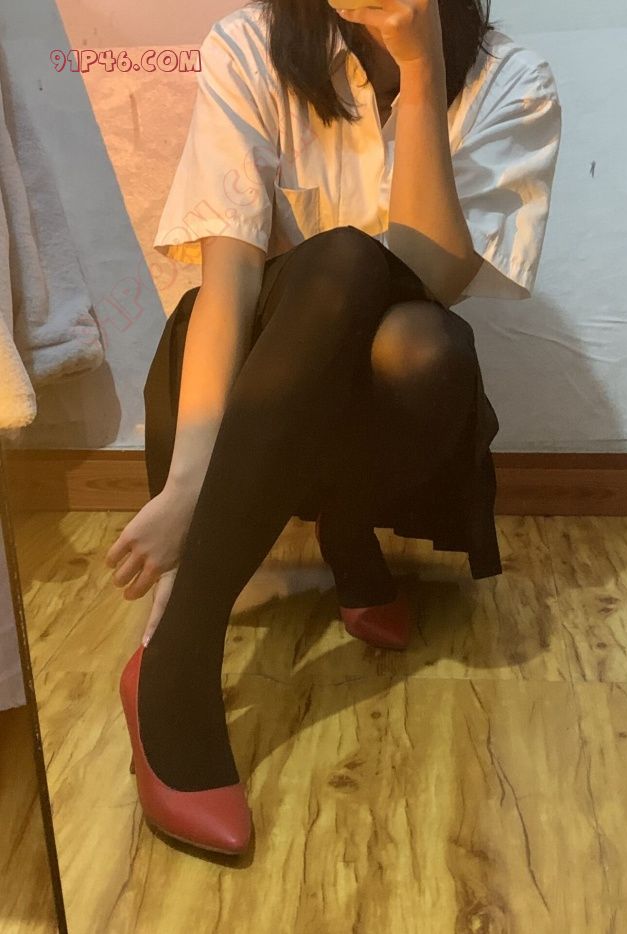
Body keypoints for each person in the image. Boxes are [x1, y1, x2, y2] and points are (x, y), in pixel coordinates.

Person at [107, 0, 562, 855]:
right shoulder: (251, 44)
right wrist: (191, 481)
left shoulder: (512, 81)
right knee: (342, 257)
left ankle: (348, 531)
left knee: (426, 347)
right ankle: (177, 656)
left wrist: (421, 70)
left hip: (380, 386)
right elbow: (229, 279)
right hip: (241, 367)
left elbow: (429, 278)